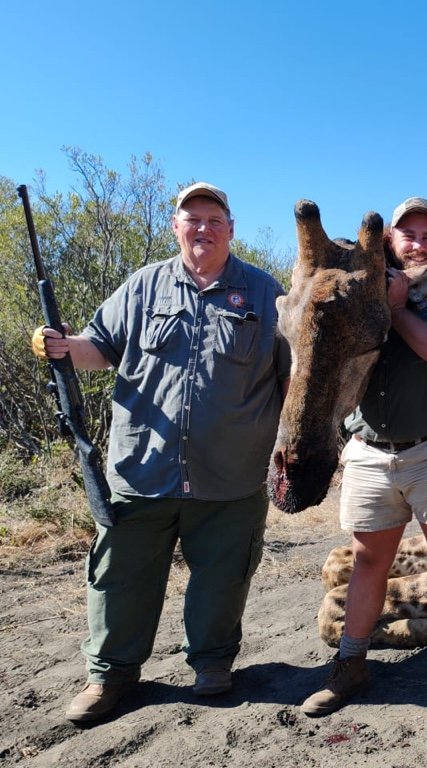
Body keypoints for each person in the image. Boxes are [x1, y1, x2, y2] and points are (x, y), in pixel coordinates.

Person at [31, 182, 291, 724]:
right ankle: (110, 676)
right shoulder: (144, 285)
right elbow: (97, 348)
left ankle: (213, 665)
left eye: (214, 219)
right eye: (191, 219)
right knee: (119, 576)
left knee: (224, 576)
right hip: (140, 469)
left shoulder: (267, 294)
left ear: (231, 229)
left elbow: (297, 379)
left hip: (232, 476)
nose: (202, 228)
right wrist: (60, 346)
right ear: (175, 227)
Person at [300, 197, 427, 727]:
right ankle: (349, 666)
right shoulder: (363, 286)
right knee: (369, 561)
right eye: (407, 234)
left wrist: (397, 309)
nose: (419, 243)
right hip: (369, 452)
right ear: (390, 240)